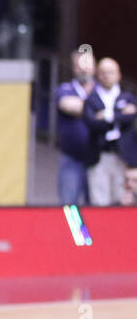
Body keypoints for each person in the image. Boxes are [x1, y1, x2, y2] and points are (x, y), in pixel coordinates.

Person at [84, 57, 136, 207]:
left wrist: (107, 115)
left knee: (122, 199)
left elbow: (130, 117)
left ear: (118, 75)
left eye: (111, 72)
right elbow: (93, 123)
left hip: (122, 155)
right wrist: (119, 114)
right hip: (100, 155)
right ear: (97, 75)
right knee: (99, 200)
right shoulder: (91, 99)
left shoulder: (127, 97)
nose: (107, 75)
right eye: (103, 72)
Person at [54, 49, 97, 205]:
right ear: (73, 68)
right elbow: (68, 105)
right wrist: (99, 111)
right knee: (68, 206)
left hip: (97, 160)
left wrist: (83, 108)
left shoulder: (100, 90)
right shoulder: (65, 89)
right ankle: (70, 231)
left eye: (87, 65)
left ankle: (90, 232)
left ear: (94, 67)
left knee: (97, 208)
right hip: (71, 159)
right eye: (79, 66)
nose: (84, 69)